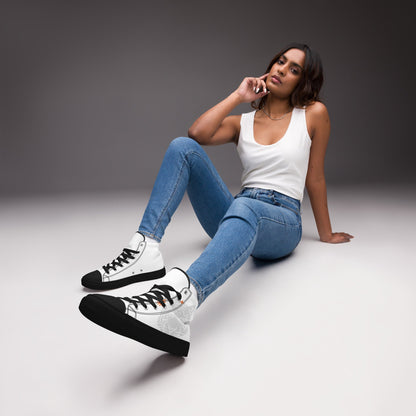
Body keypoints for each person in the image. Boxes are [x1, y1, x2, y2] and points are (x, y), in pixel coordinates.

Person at [79, 43, 353, 357]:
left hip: (282, 220)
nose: (282, 69)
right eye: (280, 61)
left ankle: (179, 306)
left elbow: (315, 177)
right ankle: (146, 250)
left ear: (303, 81)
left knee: (246, 206)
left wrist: (326, 233)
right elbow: (197, 133)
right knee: (182, 147)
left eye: (294, 69)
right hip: (238, 212)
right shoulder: (243, 122)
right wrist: (239, 96)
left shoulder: (314, 113)